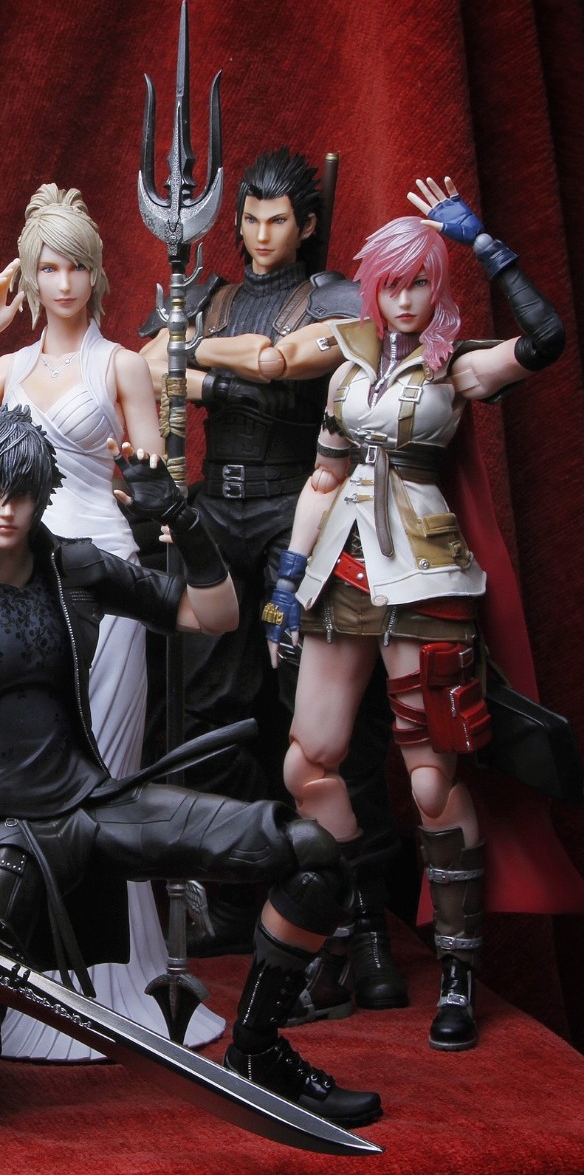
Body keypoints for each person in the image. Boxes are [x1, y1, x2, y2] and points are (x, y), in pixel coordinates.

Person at [0, 406, 381, 1131]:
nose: (7, 509)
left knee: (313, 854)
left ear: (44, 494)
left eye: (22, 492)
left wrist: (182, 519)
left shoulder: (74, 565)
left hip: (90, 807)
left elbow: (213, 617)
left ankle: (259, 1050)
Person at [266, 178, 566, 1050]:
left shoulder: (457, 365)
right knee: (307, 762)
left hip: (428, 581)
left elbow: (546, 339)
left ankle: (459, 970)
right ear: (372, 288)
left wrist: (487, 246)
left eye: (420, 282)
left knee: (430, 779)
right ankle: (334, 932)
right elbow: (323, 478)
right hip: (343, 575)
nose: (404, 299)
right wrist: (287, 579)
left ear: (438, 286)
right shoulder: (349, 367)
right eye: (391, 284)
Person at [0, 184, 219, 1060]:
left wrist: (160, 506)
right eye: (48, 268)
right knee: (35, 768)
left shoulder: (120, 365)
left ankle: (124, 974)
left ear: (96, 275)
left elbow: (155, 479)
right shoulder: (10, 368)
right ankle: (42, 970)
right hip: (23, 585)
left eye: (76, 268)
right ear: (30, 276)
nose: (62, 284)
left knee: (108, 767)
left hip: (103, 576)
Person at [138, 150, 403, 1020]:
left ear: (307, 223)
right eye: (249, 219)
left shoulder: (335, 296)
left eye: (277, 220)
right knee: (212, 707)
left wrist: (199, 365)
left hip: (303, 506)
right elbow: (146, 361)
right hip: (217, 508)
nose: (260, 235)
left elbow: (283, 359)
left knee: (326, 723)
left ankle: (360, 918)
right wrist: (206, 359)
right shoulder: (205, 293)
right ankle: (237, 892)